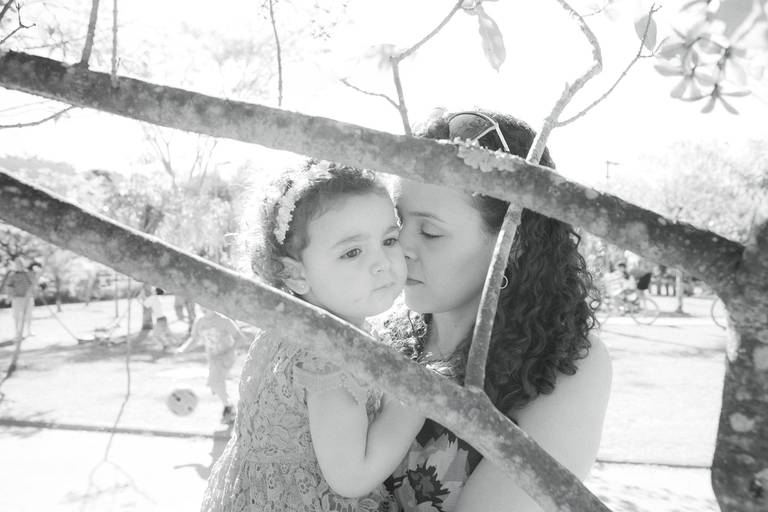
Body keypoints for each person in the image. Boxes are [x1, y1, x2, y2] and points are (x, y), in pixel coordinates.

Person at [384, 110, 612, 512]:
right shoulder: (381, 333)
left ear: (510, 243)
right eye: (397, 221)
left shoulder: (568, 365)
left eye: (430, 231)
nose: (399, 246)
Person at [201, 160, 425, 511]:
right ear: (295, 275)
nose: (382, 262)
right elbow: (351, 477)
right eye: (352, 252)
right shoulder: (327, 355)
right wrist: (414, 401)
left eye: (389, 239)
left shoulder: (291, 328)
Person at [175, 307, 247, 424]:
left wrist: (229, 351)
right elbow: (194, 339)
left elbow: (240, 338)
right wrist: (182, 349)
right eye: (201, 305)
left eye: (206, 305)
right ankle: (229, 408)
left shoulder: (224, 320)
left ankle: (230, 408)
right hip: (213, 359)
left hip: (225, 358)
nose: (204, 308)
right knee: (214, 385)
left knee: (215, 383)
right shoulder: (200, 321)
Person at [0, 257, 35, 341]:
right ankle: (17, 333)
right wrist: (9, 297)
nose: (19, 265)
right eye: (17, 263)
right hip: (17, 298)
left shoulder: (29, 274)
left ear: (23, 264)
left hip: (28, 298)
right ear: (15, 265)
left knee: (28, 315)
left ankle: (29, 331)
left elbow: (34, 284)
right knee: (17, 316)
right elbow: (9, 286)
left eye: (21, 263)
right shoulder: (13, 275)